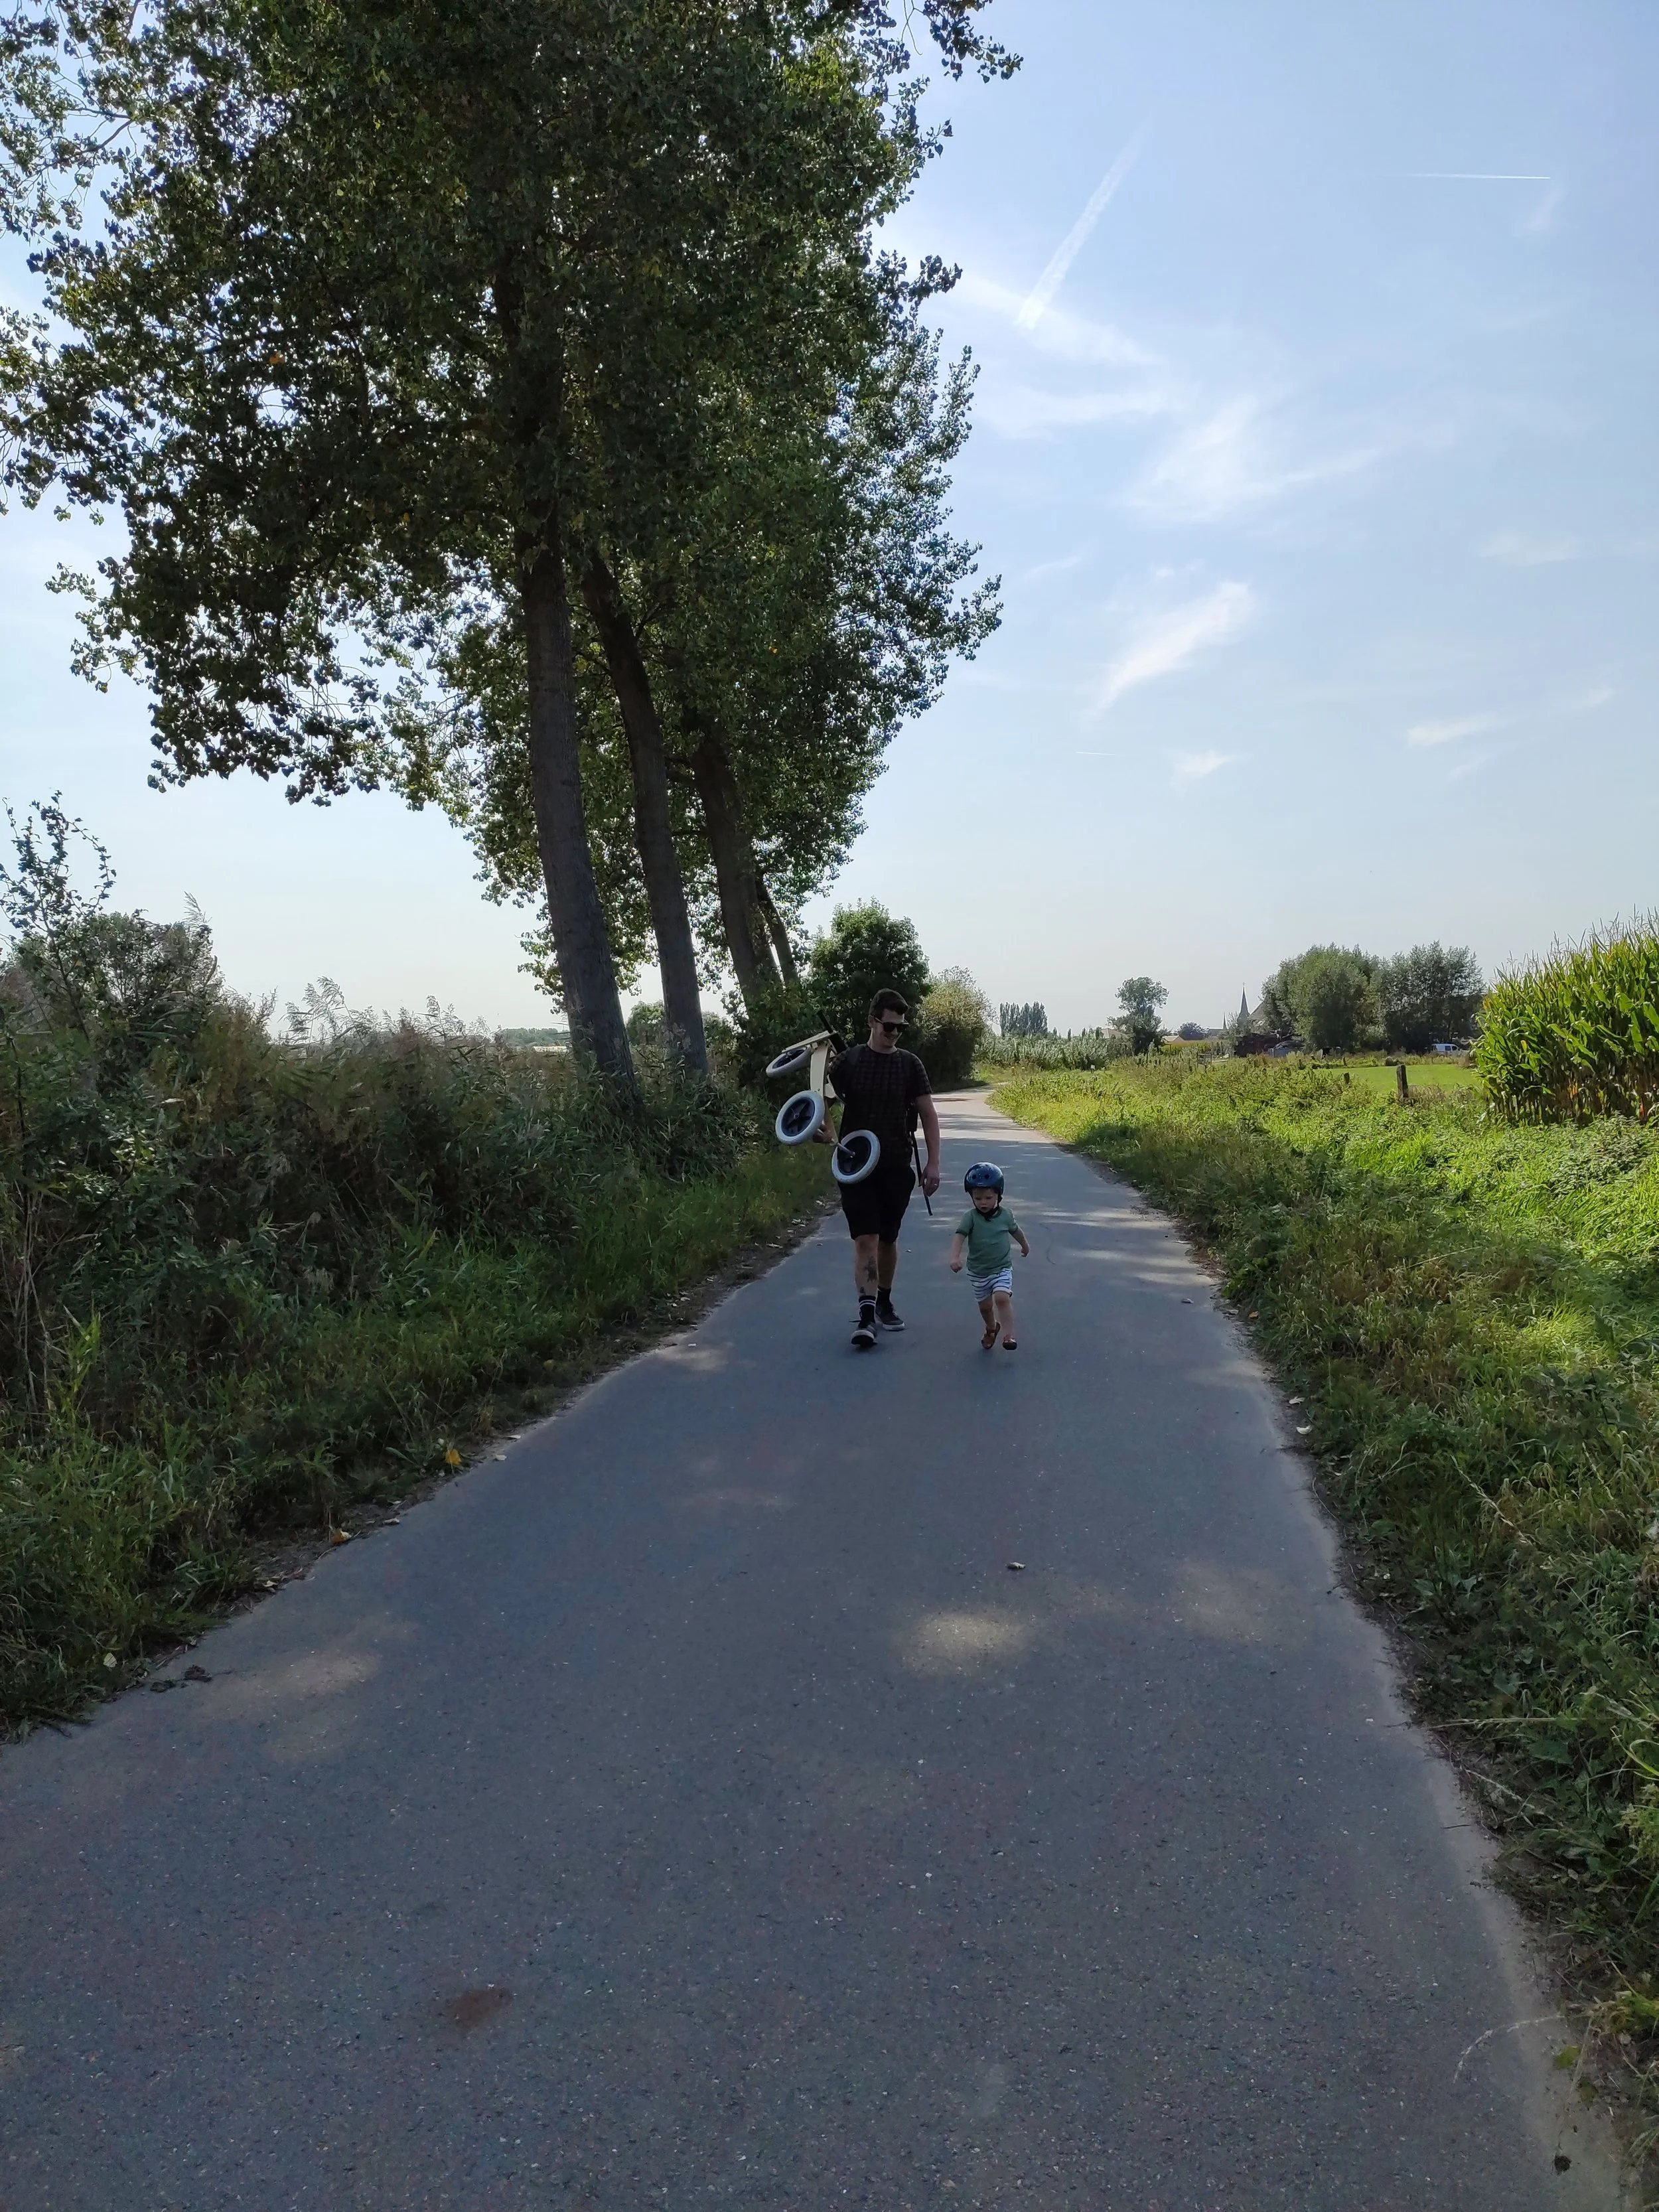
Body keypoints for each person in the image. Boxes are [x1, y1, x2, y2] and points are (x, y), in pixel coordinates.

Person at [822, 988, 942, 1349]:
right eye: (888, 1026)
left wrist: (933, 1164)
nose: (893, 1034)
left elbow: (928, 1114)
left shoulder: (910, 1064)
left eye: (899, 1029)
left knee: (888, 1239)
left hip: (896, 1164)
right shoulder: (848, 1062)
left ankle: (885, 1300)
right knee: (866, 1239)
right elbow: (820, 1099)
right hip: (855, 1165)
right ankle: (866, 1315)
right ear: (872, 1021)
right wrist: (824, 1129)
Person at [949, 1161, 1029, 1351]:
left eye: (988, 1197)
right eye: (978, 1198)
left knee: (1002, 1298)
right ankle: (992, 1328)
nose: (983, 1202)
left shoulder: (1005, 1216)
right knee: (985, 1308)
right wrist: (954, 1257)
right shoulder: (971, 1217)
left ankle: (1009, 1336)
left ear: (998, 1196)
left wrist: (1025, 1245)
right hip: (978, 1272)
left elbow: (1016, 1232)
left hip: (1001, 1268)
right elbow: (960, 1236)